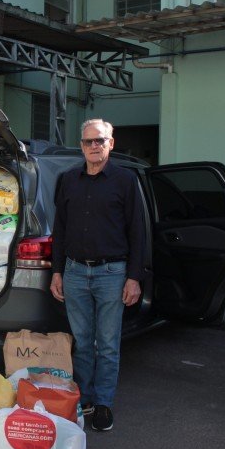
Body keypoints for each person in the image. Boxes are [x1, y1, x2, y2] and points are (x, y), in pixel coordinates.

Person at [50, 119, 147, 432]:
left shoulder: (125, 180)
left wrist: (134, 277)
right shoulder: (67, 180)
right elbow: (60, 230)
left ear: (111, 143)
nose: (94, 146)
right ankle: (85, 399)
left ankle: (104, 403)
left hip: (111, 274)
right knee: (81, 342)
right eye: (89, 141)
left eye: (100, 141)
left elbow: (138, 231)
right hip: (75, 272)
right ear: (81, 146)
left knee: (107, 343)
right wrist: (57, 271)